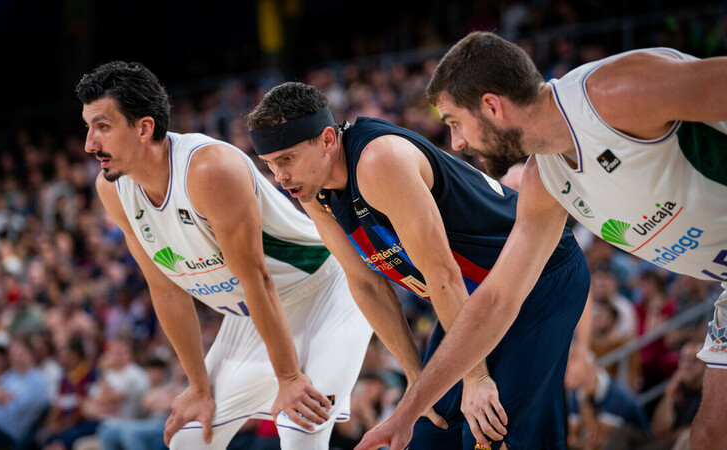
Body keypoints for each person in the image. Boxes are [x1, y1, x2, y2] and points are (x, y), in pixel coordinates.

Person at [356, 31, 727, 450]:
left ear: (492, 106)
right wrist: (405, 414)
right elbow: (496, 302)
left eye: (455, 122)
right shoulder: (544, 179)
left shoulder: (609, 95)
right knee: (711, 436)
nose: (457, 142)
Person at [246, 81, 589, 449]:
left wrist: (474, 378)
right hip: (471, 298)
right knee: (427, 435)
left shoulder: (379, 161)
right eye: (270, 164)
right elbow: (365, 284)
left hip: (538, 275)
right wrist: (415, 375)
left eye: (286, 159)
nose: (279, 177)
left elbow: (442, 273)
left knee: (495, 434)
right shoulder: (314, 189)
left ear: (328, 140)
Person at [75, 61, 371, 450]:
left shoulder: (208, 168)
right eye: (88, 127)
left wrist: (288, 377)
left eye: (102, 126)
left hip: (325, 290)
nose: (89, 143)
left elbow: (257, 279)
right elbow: (166, 291)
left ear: (144, 128)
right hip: (252, 316)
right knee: (188, 440)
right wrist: (198, 387)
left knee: (301, 430)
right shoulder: (113, 189)